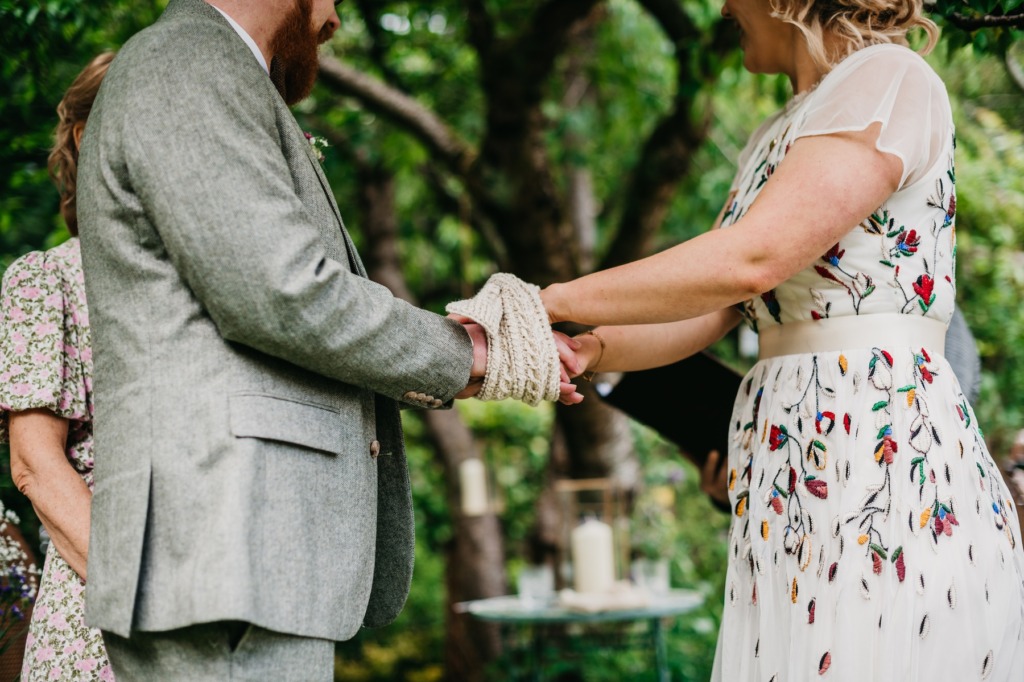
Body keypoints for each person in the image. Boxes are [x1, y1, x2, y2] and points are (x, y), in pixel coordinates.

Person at [75, 1, 577, 679]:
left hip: (244, 558)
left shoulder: (211, 67)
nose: (335, 18)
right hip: (225, 546)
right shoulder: (185, 61)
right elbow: (280, 291)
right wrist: (471, 353)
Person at [540, 0, 1024, 677]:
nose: (722, 7)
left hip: (874, 448)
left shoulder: (887, 78)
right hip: (790, 468)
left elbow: (753, 257)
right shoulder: (778, 130)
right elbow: (721, 303)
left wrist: (547, 301)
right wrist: (591, 345)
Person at [0, 52, 116, 682]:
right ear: (84, 135)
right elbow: (36, 466)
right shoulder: (46, 280)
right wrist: (142, 597)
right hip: (99, 618)